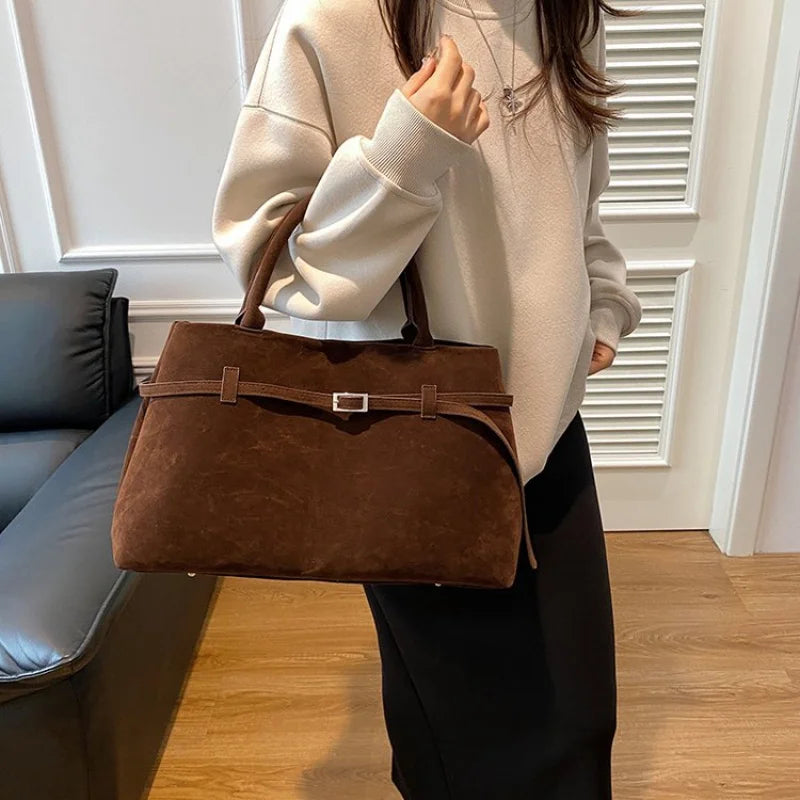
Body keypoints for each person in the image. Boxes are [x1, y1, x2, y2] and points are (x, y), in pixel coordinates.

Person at [211, 0, 643, 796]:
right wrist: (405, 156)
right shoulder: (332, 20)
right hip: (413, 444)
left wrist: (603, 300)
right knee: (464, 736)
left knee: (580, 721)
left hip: (545, 432)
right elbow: (275, 266)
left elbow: (581, 196)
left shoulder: (566, 13)